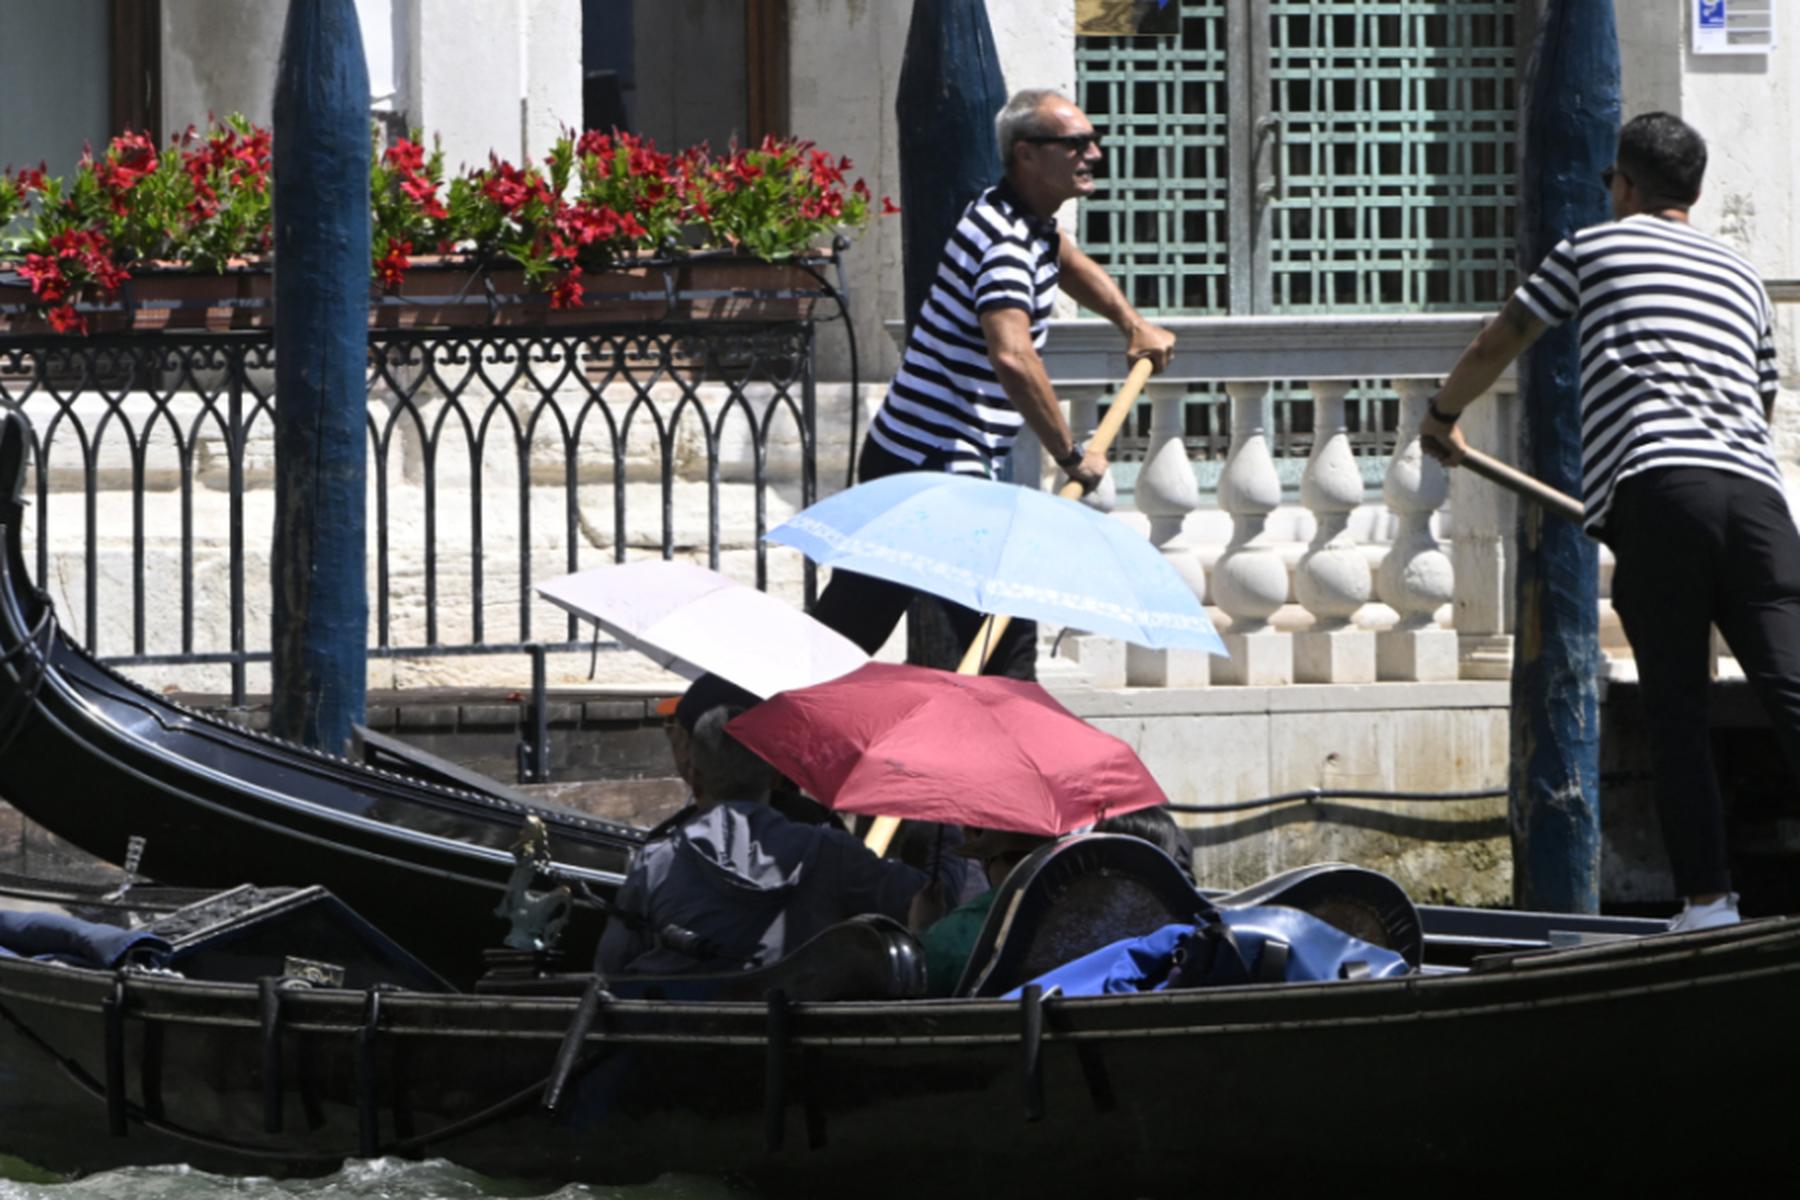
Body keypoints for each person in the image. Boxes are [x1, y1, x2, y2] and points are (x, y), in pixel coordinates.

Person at [1418, 112, 1792, 933]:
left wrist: (1442, 414)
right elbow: (1758, 407)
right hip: (1759, 502)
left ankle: (1708, 904)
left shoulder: (1593, 247)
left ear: (1623, 184)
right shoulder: (1742, 274)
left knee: (1677, 710)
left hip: (1662, 490)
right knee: (1792, 693)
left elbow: (1502, 338)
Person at [809, 88, 1177, 680]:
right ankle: (730, 721)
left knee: (860, 625)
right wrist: (1070, 453)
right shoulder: (1004, 243)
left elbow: (1065, 257)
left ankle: (729, 721)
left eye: (1092, 139)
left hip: (922, 459)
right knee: (1001, 625)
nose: (1094, 153)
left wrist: (1130, 323)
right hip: (930, 465)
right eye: (1076, 143)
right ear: (1027, 154)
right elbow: (1012, 355)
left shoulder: (1022, 220)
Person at [596, 704, 936, 975]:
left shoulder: (654, 862)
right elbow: (925, 900)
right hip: (795, 1043)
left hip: (678, 1041)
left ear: (694, 779)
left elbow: (612, 969)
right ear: (775, 776)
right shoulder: (831, 852)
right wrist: (942, 832)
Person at [917, 827, 1053, 997]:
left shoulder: (955, 932)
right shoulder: (1080, 907)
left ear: (990, 862)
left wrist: (921, 927)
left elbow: (919, 981)